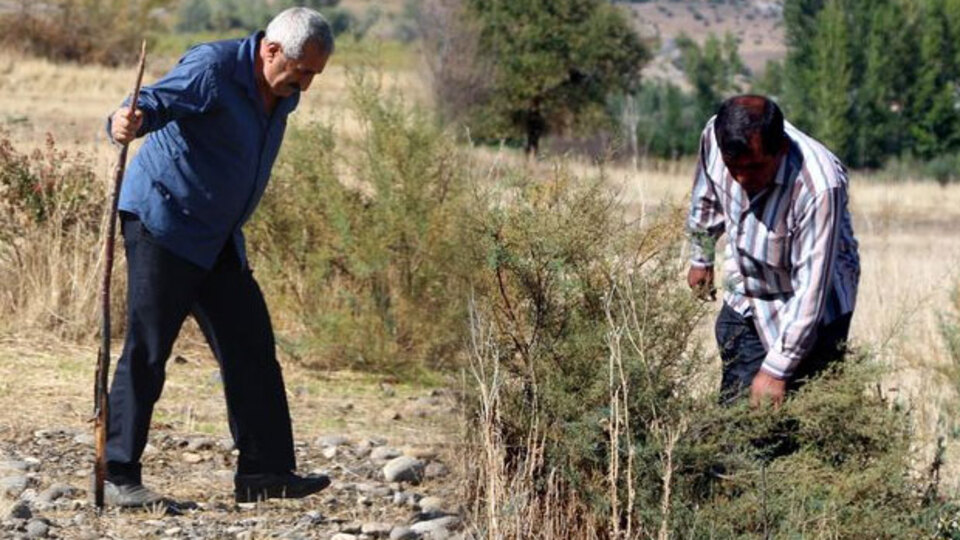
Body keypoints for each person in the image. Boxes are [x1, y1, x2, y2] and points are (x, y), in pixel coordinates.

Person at [102, 7, 334, 507]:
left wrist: (292, 83)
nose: (307, 86)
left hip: (218, 236)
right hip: (163, 221)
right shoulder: (213, 67)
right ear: (271, 51)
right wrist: (127, 119)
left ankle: (264, 474)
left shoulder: (282, 90)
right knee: (147, 348)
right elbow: (152, 102)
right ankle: (116, 473)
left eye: (314, 75)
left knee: (250, 347)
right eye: (302, 72)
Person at [686, 95, 860, 408]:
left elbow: (811, 291)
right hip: (746, 294)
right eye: (733, 168)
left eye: (753, 167)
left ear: (780, 149)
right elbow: (707, 194)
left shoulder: (818, 187)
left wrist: (777, 371)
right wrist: (702, 256)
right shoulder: (716, 136)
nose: (742, 179)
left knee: (808, 421)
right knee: (736, 426)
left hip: (815, 311)